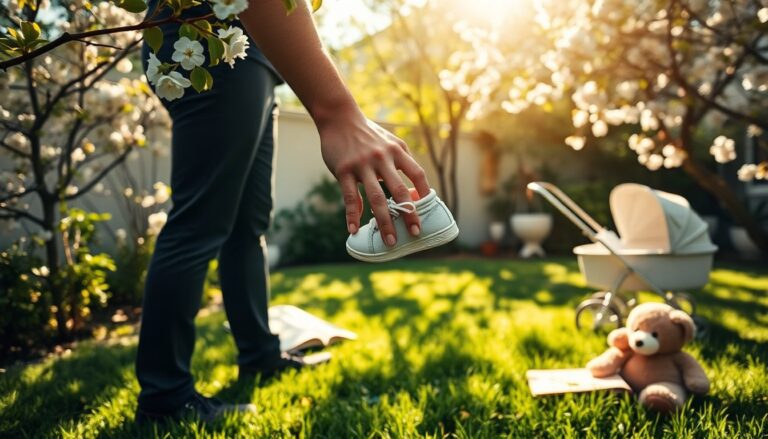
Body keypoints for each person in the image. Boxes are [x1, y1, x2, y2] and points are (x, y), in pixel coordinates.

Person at [134, 0, 430, 423]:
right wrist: (337, 110)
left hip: (251, 56)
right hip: (210, 45)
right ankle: (164, 399)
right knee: (200, 223)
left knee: (246, 224)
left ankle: (259, 355)